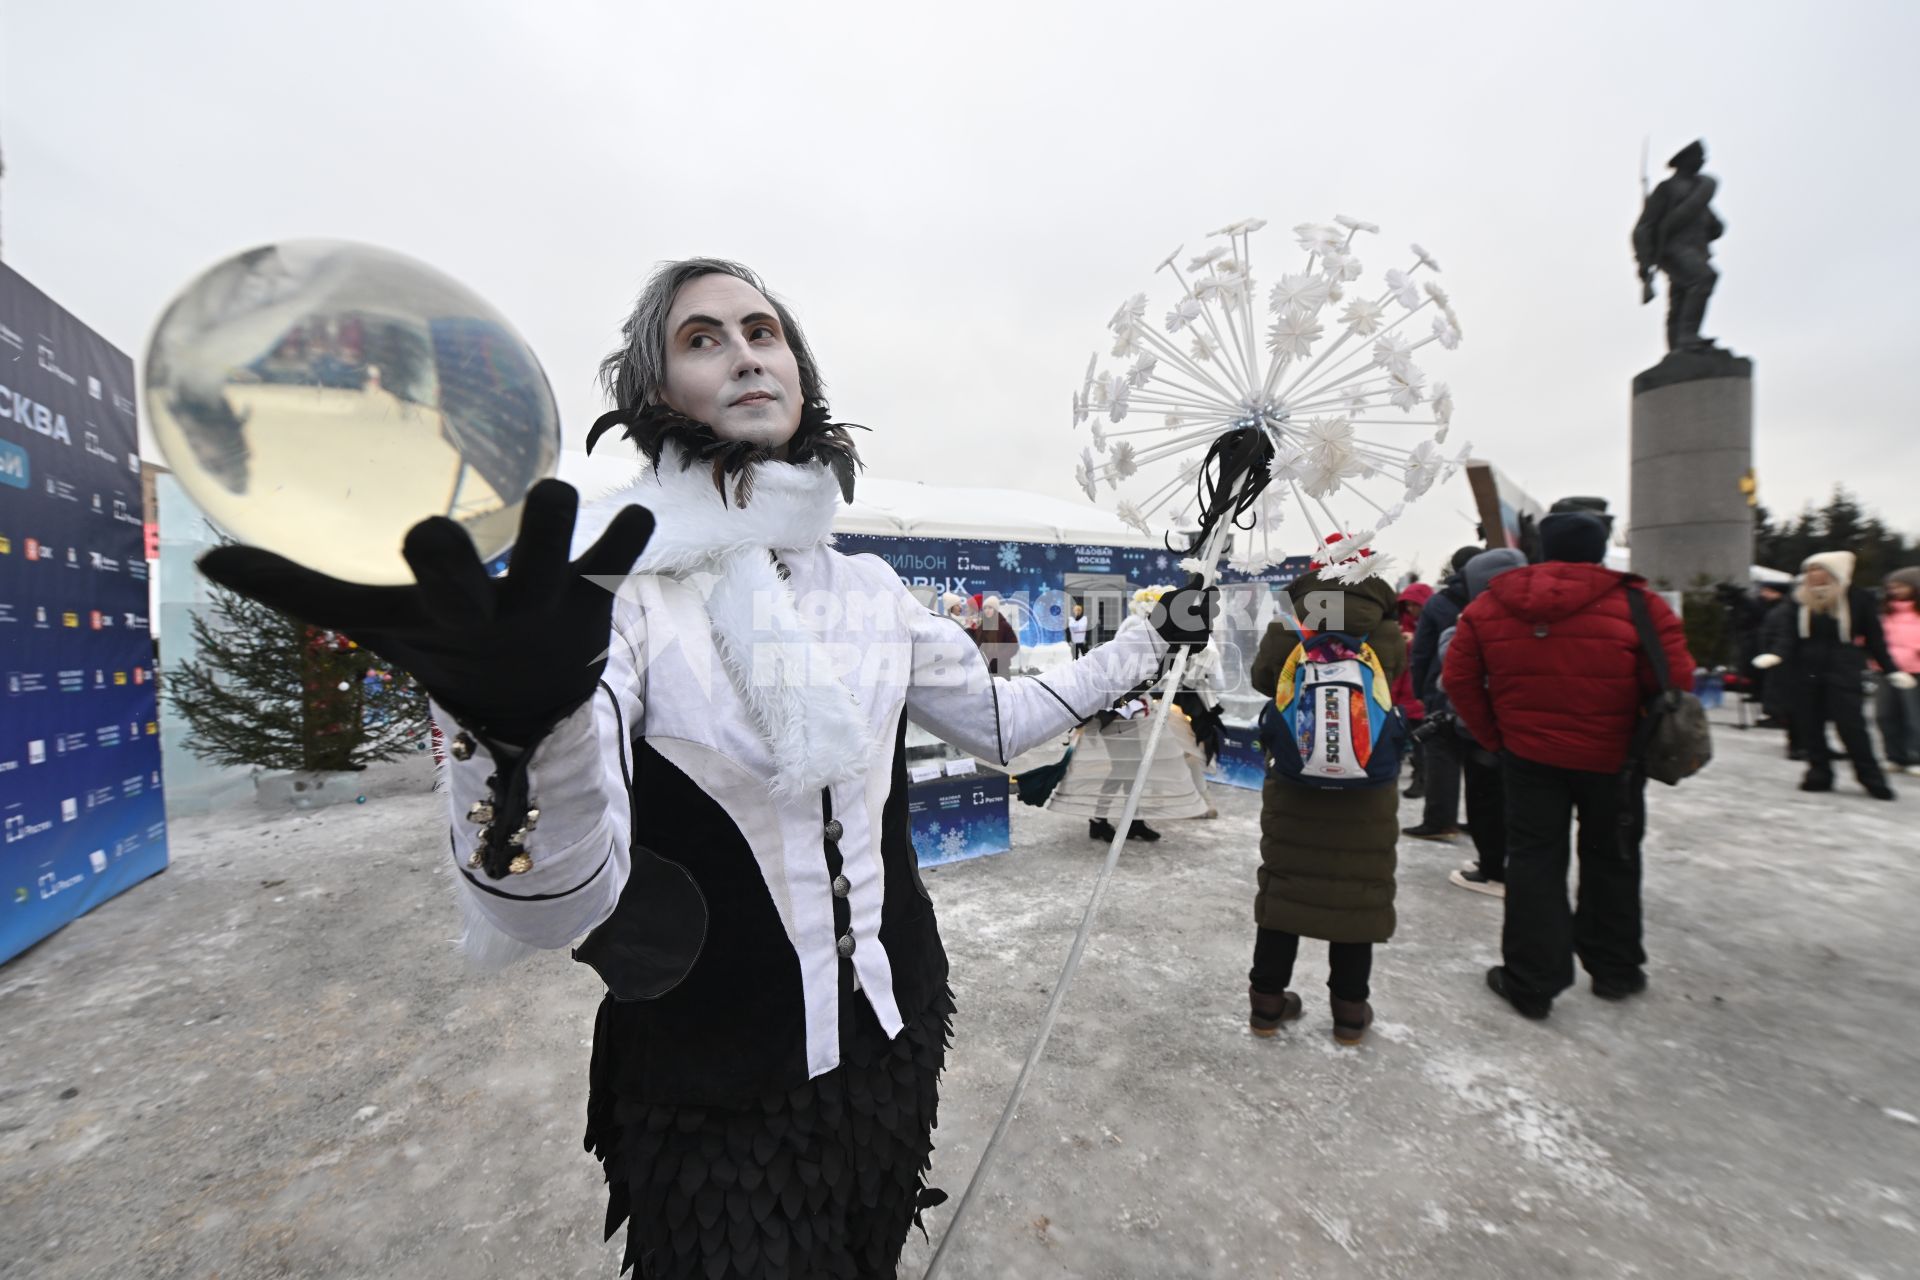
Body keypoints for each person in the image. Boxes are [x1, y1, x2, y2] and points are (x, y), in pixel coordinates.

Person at [200, 258, 1216, 1279]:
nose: (742, 352)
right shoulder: (626, 597)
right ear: (654, 396)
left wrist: (1150, 635)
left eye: (762, 330)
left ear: (802, 376)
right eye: (702, 338)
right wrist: (516, 736)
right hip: (713, 1091)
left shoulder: (869, 590)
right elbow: (550, 905)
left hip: (895, 1043)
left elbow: (1004, 720)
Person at [1443, 509, 1693, 1019]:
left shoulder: (1491, 606)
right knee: (1613, 858)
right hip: (1613, 759)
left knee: (1534, 862)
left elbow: (1460, 681)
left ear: (1542, 548)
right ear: (1601, 548)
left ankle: (1532, 981)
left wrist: (1496, 737)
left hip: (1528, 758)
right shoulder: (1638, 604)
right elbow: (1675, 679)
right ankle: (1615, 968)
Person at [1246, 544, 1407, 1046]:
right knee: (1356, 898)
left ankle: (1267, 1006)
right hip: (1367, 791)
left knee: (1285, 889)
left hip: (1296, 783)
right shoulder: (1384, 633)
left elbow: (1261, 682)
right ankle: (1349, 1015)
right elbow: (1395, 683)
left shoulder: (1289, 628)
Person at [1755, 551, 1907, 800]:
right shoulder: (1799, 600)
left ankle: (1870, 776)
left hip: (1843, 668)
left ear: (1836, 572)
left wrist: (1891, 669)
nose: (1814, 575)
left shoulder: (1859, 599)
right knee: (1810, 725)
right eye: (1810, 570)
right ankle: (1819, 772)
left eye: (1819, 569)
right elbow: (1788, 636)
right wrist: (1776, 655)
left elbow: (1876, 640)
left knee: (1852, 726)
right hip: (1804, 669)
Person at [1437, 548, 1527, 898]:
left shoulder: (1478, 618)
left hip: (1486, 734)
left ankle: (1494, 869)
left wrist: (1483, 731)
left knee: (1486, 803)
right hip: (1535, 737)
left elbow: (1453, 676)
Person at [1403, 545, 1481, 839]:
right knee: (1481, 762)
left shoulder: (1440, 602)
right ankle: (1482, 822)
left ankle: (1440, 821)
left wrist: (1422, 691)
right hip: (1484, 694)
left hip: (1444, 690)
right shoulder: (1491, 596)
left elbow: (1422, 652)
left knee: (1442, 758)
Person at [1391, 582, 1433, 799]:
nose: (1410, 609)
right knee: (1398, 738)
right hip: (1399, 689)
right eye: (1407, 605)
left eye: (1414, 605)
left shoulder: (1430, 626)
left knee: (1419, 741)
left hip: (1417, 691)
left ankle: (1422, 778)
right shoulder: (1400, 625)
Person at [1877, 568, 1920, 774]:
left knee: (1913, 716)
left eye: (1900, 586)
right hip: (1887, 670)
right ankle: (1894, 756)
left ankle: (1915, 757)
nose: (1894, 591)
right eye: (1891, 587)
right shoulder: (1886, 613)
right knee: (1885, 714)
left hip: (1915, 671)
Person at [972, 593, 1020, 675]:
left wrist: (999, 658)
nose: (987, 610)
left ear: (996, 609)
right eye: (985, 608)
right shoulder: (981, 627)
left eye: (990, 608)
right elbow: (977, 645)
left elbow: (1014, 646)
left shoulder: (1004, 626)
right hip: (985, 669)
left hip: (1001, 669)